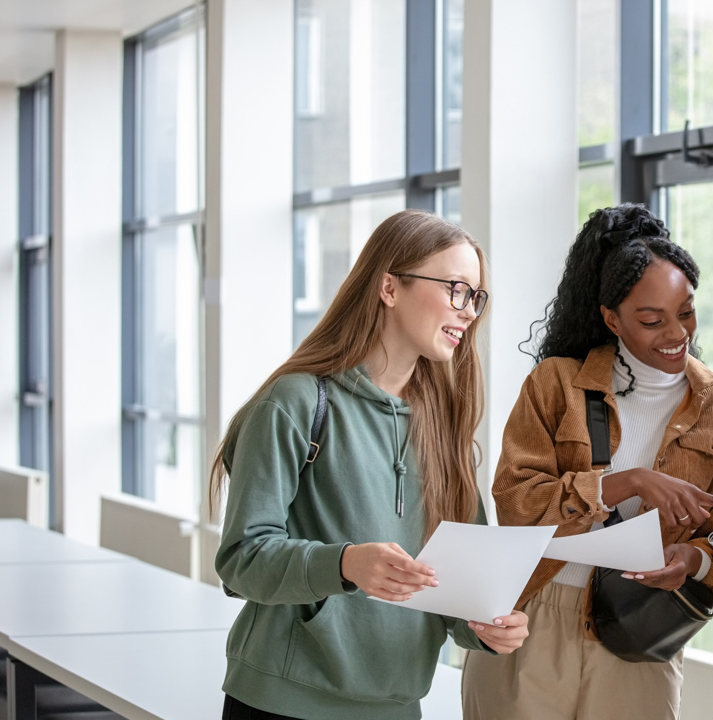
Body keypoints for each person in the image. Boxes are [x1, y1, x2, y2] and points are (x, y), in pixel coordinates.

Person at [210, 210, 528, 720]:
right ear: (389, 288)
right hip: (279, 702)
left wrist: (488, 627)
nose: (468, 311)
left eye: (475, 296)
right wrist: (345, 564)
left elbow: (458, 588)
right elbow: (240, 559)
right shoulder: (294, 403)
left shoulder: (447, 434)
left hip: (397, 706)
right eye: (454, 289)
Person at [460, 204, 713, 720]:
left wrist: (693, 561)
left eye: (685, 311)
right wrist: (625, 483)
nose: (675, 333)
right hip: (535, 612)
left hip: (643, 630)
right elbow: (515, 504)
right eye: (650, 319)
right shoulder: (556, 384)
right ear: (611, 318)